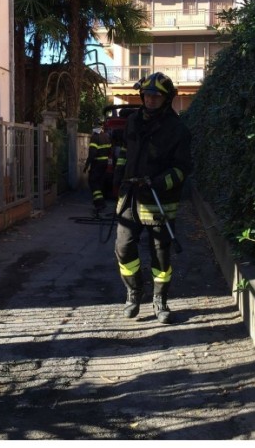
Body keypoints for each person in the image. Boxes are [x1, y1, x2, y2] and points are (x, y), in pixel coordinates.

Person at [114, 72, 191, 324]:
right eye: (147, 95)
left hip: (159, 200)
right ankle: (134, 292)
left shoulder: (177, 129)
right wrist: (119, 175)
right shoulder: (133, 121)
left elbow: (182, 168)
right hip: (130, 197)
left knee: (160, 253)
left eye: (156, 96)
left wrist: (158, 182)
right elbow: (126, 151)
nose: (150, 100)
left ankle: (160, 299)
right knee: (124, 247)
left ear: (166, 99)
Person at [83, 125, 112, 215]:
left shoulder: (95, 137)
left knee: (93, 181)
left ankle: (99, 203)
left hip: (97, 163)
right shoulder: (106, 137)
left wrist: (87, 165)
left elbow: (92, 153)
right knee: (100, 182)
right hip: (105, 163)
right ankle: (101, 201)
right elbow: (110, 150)